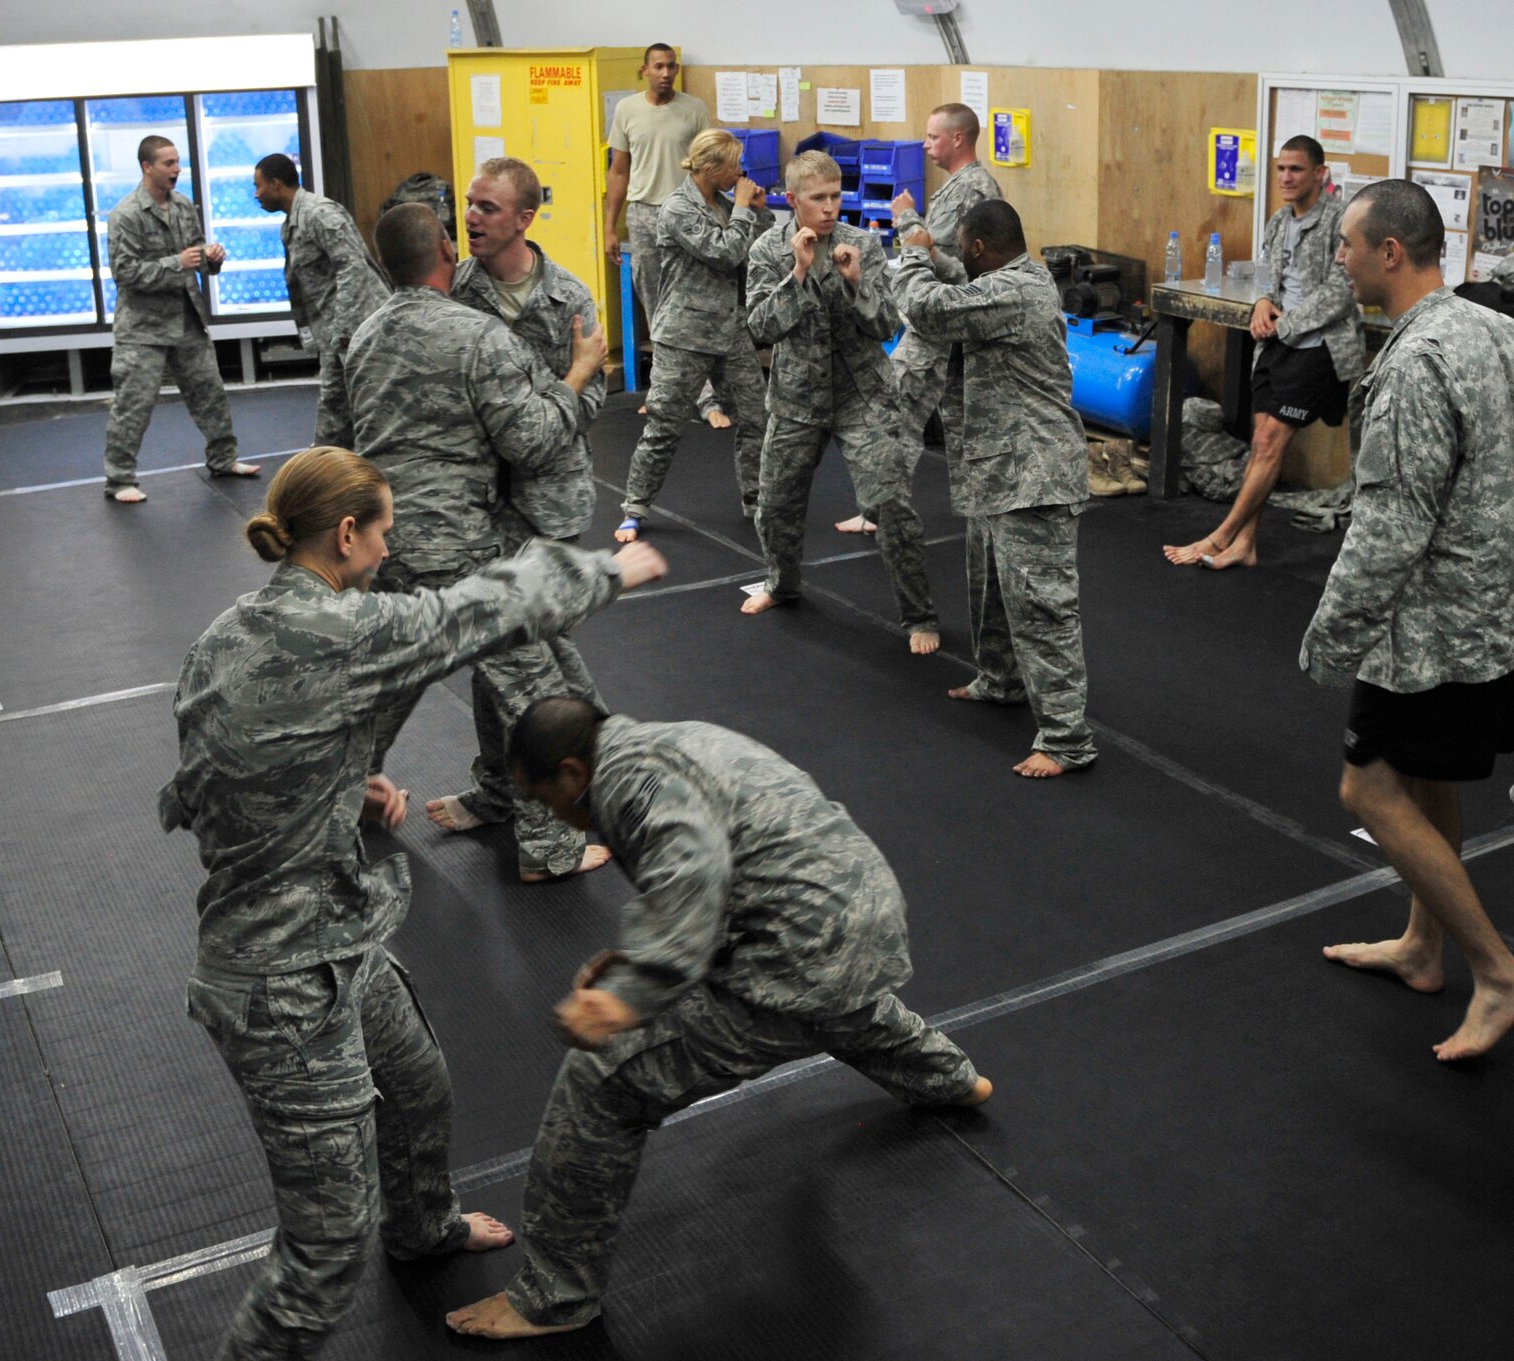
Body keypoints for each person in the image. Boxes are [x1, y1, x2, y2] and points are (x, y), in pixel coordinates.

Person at [160, 448, 668, 1360]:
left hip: (338, 931)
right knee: (322, 1256)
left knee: (419, 1084)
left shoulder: (230, 632)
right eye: (385, 532)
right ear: (346, 534)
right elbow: (480, 610)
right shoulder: (348, 631)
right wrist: (609, 569)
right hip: (280, 982)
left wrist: (338, 783)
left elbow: (206, 775)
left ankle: (424, 1224)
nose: (391, 551)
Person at [445, 697, 990, 1341]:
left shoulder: (627, 782)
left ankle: (553, 1299)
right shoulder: (670, 739)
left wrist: (631, 994)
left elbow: (692, 871)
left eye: (542, 798)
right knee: (830, 1002)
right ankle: (945, 1077)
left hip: (800, 952)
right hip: (861, 912)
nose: (548, 814)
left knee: (600, 1081)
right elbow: (730, 863)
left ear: (570, 772)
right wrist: (635, 960)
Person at [1302, 180, 1514, 1062]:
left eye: (1348, 243)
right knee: (1429, 778)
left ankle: (1496, 971)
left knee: (1368, 787)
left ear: (1392, 252)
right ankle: (1424, 947)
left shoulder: (1418, 364)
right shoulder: (1494, 329)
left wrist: (1330, 634)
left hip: (1429, 626)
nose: (1339, 257)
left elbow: (1391, 530)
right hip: (1493, 609)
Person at [344, 203, 611, 882]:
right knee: (535, 695)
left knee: (388, 682)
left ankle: (339, 795)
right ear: (443, 249)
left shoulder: (362, 334)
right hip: (460, 551)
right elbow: (533, 439)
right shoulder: (477, 336)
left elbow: (335, 439)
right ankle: (549, 852)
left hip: (382, 542)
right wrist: (578, 371)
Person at [436, 156, 609, 837]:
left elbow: (593, 391)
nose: (471, 218)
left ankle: (576, 795)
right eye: (468, 205)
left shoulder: (569, 296)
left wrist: (536, 419)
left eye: (486, 208)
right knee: (493, 654)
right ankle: (500, 791)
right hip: (480, 500)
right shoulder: (455, 290)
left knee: (540, 661)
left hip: (550, 502)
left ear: (524, 219)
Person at [896, 200, 1097, 778]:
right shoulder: (1004, 281)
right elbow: (956, 288)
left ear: (980, 247)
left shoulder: (1020, 293)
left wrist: (912, 251)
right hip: (997, 469)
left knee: (1042, 607)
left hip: (1034, 475)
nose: (957, 255)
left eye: (960, 247)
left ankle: (1067, 740)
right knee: (990, 591)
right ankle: (1002, 679)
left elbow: (929, 308)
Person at [741, 150, 939, 651]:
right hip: (796, 397)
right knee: (776, 505)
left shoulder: (863, 245)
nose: (830, 208)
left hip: (862, 396)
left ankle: (919, 615)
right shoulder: (768, 250)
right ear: (793, 200)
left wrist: (855, 284)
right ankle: (781, 585)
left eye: (835, 196)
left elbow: (886, 325)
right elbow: (761, 328)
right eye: (818, 198)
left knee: (890, 503)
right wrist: (800, 273)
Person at [1164, 137, 1363, 570]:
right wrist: (1260, 304)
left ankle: (1221, 534)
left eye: (1296, 169)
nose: (1287, 178)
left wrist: (1285, 321)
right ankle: (1246, 545)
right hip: (1276, 346)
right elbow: (1269, 279)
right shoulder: (1277, 221)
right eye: (1281, 169)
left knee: (1271, 442)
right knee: (1260, 445)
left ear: (1319, 174)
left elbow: (1343, 290)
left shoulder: (1340, 222)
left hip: (1318, 348)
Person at [847, 102, 1002, 536]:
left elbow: (942, 258)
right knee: (955, 418)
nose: (925, 143)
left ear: (958, 139)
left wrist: (905, 219)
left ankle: (882, 512)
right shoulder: (961, 186)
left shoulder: (972, 189)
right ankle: (977, 515)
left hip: (940, 323)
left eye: (933, 136)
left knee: (896, 410)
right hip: (948, 322)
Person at [615, 130, 770, 543]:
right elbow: (724, 253)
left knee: (757, 418)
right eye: (733, 165)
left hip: (731, 331)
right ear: (709, 168)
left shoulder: (724, 203)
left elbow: (756, 249)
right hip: (685, 335)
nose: (740, 172)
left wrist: (758, 210)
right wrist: (741, 209)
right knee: (665, 425)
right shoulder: (677, 209)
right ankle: (635, 507)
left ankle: (756, 499)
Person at [102, 134, 257, 502]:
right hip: (143, 329)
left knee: (210, 392)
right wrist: (178, 263)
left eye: (177, 162)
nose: (177, 170)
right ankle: (119, 479)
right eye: (169, 163)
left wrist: (212, 259)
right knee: (133, 404)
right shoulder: (125, 215)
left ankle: (223, 459)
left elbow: (198, 258)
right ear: (147, 167)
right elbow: (125, 273)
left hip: (187, 319)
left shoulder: (184, 206)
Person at [603, 42, 716, 418]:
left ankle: (707, 396)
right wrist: (609, 227)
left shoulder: (694, 109)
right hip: (644, 216)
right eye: (658, 67)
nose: (666, 73)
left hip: (686, 215)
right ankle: (665, 392)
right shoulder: (626, 110)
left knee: (692, 305)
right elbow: (618, 171)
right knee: (657, 309)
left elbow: (709, 170)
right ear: (644, 70)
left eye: (671, 67)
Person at [253, 153, 389, 447]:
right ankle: (326, 465)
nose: (256, 194)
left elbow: (353, 267)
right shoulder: (291, 224)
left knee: (373, 401)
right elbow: (299, 286)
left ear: (276, 185)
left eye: (258, 186)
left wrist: (343, 330)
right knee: (335, 401)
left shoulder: (319, 214)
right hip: (336, 331)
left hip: (361, 326)